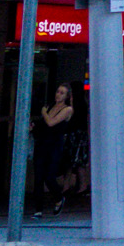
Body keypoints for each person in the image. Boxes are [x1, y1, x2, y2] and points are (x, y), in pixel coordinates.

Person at [37, 84, 80, 214]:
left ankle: (59, 197)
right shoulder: (50, 106)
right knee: (39, 176)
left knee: (50, 176)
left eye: (62, 93)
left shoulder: (68, 109)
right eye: (58, 91)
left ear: (67, 96)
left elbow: (51, 122)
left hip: (55, 145)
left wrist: (44, 112)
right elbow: (44, 125)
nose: (58, 95)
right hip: (43, 143)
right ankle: (38, 209)